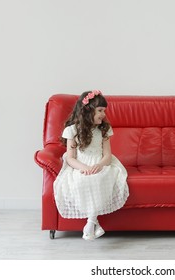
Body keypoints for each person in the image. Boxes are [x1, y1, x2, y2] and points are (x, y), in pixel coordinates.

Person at [54, 90, 129, 240]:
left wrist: (99, 165)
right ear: (88, 110)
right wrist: (85, 168)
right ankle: (94, 223)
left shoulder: (104, 129)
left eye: (104, 111)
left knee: (101, 177)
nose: (103, 114)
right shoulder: (72, 130)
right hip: (80, 164)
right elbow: (70, 158)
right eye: (100, 110)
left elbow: (107, 155)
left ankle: (91, 222)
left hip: (102, 162)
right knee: (82, 180)